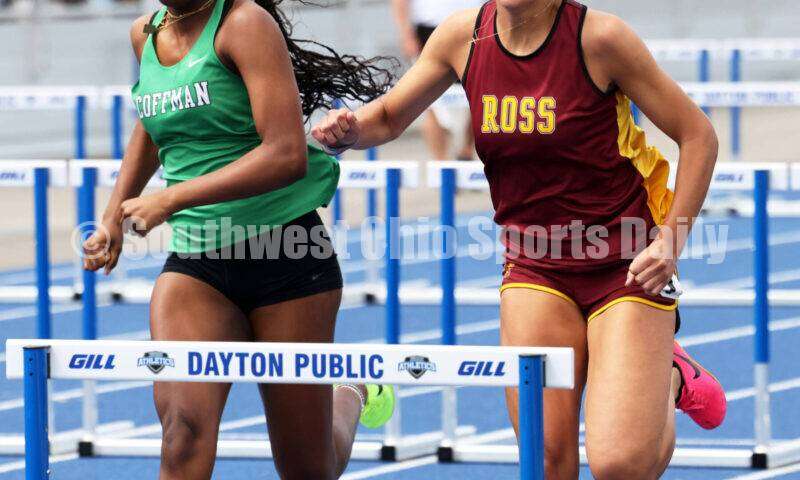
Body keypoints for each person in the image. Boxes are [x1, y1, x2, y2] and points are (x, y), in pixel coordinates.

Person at [312, 0, 727, 478]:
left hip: (627, 262)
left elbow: (698, 135)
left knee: (620, 465)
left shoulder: (600, 40)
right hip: (535, 266)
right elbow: (386, 118)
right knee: (547, 458)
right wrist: (349, 130)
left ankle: (667, 376)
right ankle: (652, 369)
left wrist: (671, 242)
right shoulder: (461, 37)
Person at [82, 0, 396, 478]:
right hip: (197, 265)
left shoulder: (244, 24)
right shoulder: (145, 34)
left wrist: (171, 200)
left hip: (287, 256)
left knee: (309, 469)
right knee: (181, 431)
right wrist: (112, 216)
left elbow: (286, 153)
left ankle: (350, 392)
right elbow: (151, 124)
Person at [391, 0, 482, 160]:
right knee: (429, 103)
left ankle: (466, 153)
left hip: (476, 24)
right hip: (431, 27)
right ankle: (441, 165)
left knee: (479, 97)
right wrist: (406, 34)